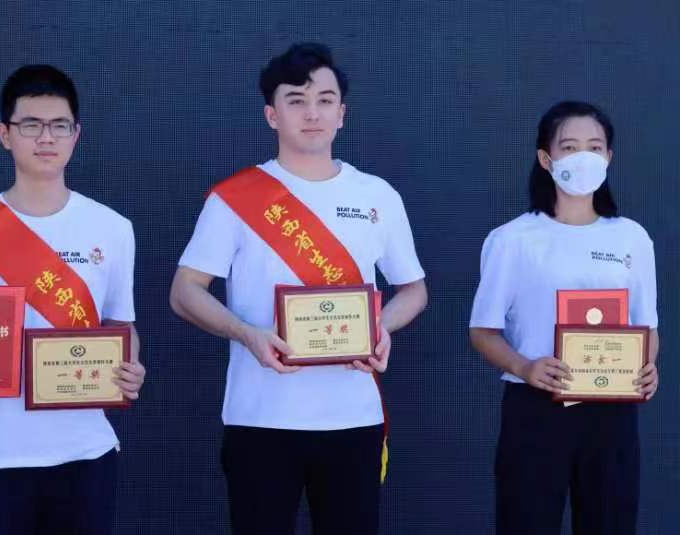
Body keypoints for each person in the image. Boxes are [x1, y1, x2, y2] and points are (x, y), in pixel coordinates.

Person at [169, 43, 427, 534]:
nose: (313, 113)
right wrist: (247, 334)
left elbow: (413, 290)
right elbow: (185, 291)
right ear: (272, 115)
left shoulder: (377, 196)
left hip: (353, 417)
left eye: (325, 100)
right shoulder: (234, 198)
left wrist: (381, 327)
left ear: (342, 114)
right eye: (296, 100)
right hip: (260, 417)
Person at [0, 64, 145, 535]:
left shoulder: (112, 229)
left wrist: (131, 368)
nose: (46, 138)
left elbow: (121, 326)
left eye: (59, 125)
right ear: (5, 134)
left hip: (85, 452)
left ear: (76, 134)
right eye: (30, 125)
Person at [469, 101, 659, 535]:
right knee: (527, 522)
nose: (583, 158)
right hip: (536, 406)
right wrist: (525, 367)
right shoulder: (513, 239)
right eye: (569, 147)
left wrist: (647, 366)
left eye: (594, 147)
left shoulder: (631, 237)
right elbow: (482, 330)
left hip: (612, 409)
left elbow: (647, 326)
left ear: (609, 157)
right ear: (546, 158)